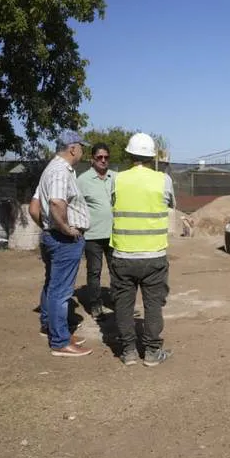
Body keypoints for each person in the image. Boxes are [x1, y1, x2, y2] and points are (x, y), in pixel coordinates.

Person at [110, 132, 176, 367]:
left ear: (129, 155)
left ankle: (128, 352)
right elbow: (170, 205)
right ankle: (151, 353)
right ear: (151, 157)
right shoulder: (163, 180)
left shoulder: (116, 179)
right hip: (153, 256)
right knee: (153, 305)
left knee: (124, 305)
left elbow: (113, 204)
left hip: (123, 254)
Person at [35, 130, 93, 357]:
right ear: (72, 148)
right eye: (81, 146)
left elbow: (34, 206)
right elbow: (57, 202)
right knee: (61, 291)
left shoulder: (50, 169)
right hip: (64, 240)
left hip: (53, 236)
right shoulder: (60, 171)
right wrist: (67, 228)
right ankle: (60, 342)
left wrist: (48, 227)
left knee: (52, 285)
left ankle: (52, 328)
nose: (82, 150)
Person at [77, 143, 116, 319]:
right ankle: (95, 305)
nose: (103, 160)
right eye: (99, 157)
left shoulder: (116, 177)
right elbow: (75, 206)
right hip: (92, 235)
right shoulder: (82, 181)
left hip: (114, 234)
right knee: (94, 271)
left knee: (118, 270)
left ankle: (119, 303)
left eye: (106, 157)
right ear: (92, 159)